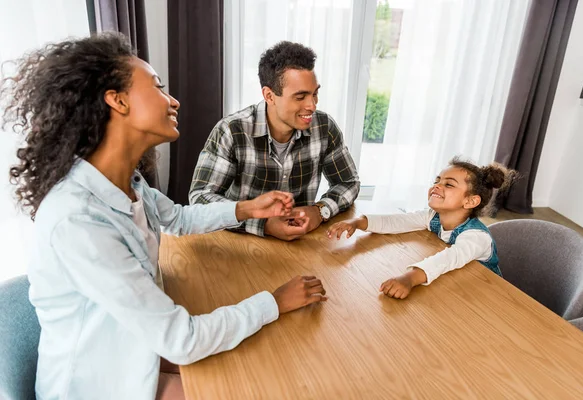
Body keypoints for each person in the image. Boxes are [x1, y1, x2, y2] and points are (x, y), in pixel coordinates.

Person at [1, 33, 327, 400]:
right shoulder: (78, 220)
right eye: (157, 88)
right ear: (117, 101)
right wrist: (274, 301)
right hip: (98, 385)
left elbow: (180, 218)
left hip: (133, 348)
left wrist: (248, 208)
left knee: (262, 367)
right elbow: (181, 340)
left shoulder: (125, 183)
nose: (173, 100)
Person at [189, 41, 360, 241]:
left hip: (301, 243)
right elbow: (200, 199)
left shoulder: (324, 127)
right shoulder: (232, 131)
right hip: (238, 244)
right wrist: (263, 225)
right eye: (300, 97)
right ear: (269, 96)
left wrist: (320, 210)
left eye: (315, 94)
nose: (312, 105)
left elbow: (348, 182)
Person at [327, 157, 515, 300]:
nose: (437, 186)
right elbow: (399, 222)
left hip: (483, 294)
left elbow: (449, 258)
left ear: (471, 201)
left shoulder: (476, 236)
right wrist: (358, 223)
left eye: (448, 184)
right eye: (437, 181)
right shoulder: (432, 217)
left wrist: (409, 278)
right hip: (456, 286)